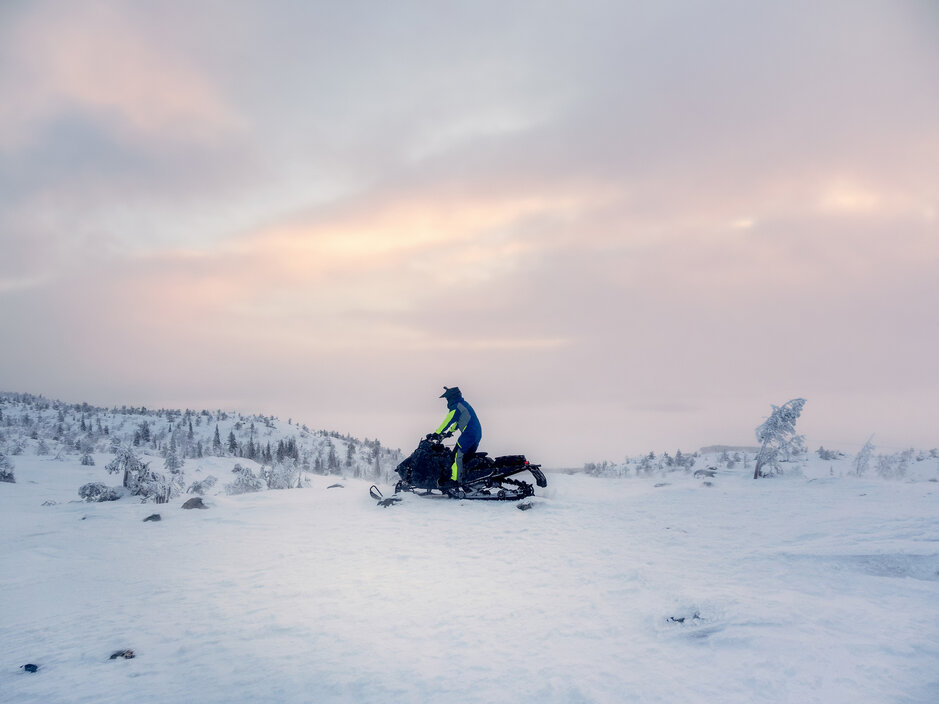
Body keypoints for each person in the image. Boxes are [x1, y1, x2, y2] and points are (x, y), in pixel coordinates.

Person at [433, 386, 482, 485]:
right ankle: (466, 477)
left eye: (447, 398)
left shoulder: (456, 406)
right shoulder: (463, 405)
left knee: (456, 456)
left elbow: (448, 421)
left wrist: (436, 433)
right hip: (475, 434)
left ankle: (455, 481)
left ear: (452, 397)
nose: (447, 401)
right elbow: (458, 421)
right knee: (465, 458)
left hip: (469, 434)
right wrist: (450, 432)